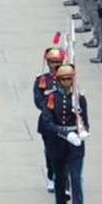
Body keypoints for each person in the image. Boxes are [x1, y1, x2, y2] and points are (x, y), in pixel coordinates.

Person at [40, 64, 90, 204]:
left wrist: (83, 133)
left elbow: (85, 121)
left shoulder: (79, 98)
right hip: (57, 142)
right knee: (60, 177)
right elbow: (47, 122)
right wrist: (63, 132)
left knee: (76, 178)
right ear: (58, 80)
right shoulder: (51, 98)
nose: (68, 82)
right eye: (64, 79)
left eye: (70, 78)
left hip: (75, 143)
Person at [34, 47, 62, 192]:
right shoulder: (42, 80)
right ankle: (51, 175)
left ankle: (62, 178)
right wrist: (50, 106)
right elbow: (38, 101)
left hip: (64, 121)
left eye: (58, 62)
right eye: (52, 62)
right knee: (50, 152)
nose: (55, 65)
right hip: (48, 121)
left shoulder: (67, 78)